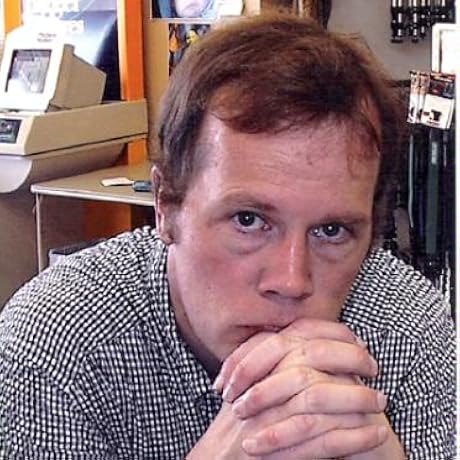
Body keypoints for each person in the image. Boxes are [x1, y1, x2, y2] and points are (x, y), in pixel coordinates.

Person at [0, 12, 455, 460]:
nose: (291, 281)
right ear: (166, 206)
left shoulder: (406, 328)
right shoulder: (52, 349)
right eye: (248, 220)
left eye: (331, 231)